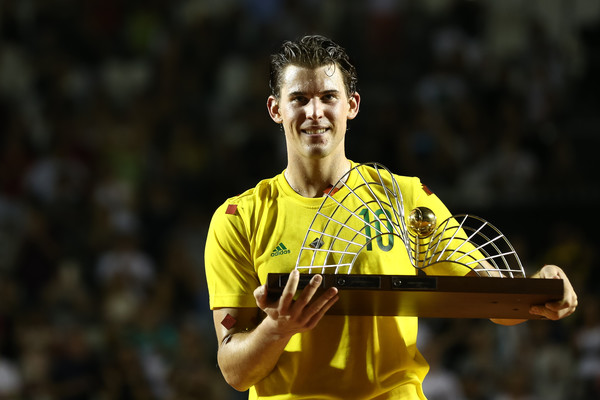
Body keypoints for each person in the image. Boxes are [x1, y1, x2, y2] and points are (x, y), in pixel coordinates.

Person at [204, 35, 578, 399]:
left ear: (352, 105)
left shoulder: (404, 197)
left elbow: (494, 301)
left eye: (328, 97)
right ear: (276, 109)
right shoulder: (239, 218)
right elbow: (235, 371)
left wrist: (539, 291)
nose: (314, 112)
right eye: (299, 99)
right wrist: (277, 328)